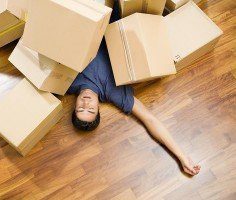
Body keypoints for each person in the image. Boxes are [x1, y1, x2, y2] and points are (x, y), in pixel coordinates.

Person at [67, 1, 201, 176]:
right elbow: (149, 119)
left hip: (89, 10)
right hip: (120, 12)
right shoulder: (112, 92)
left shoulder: (66, 83)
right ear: (98, 109)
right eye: (90, 109)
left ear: (74, 105)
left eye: (80, 108)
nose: (86, 102)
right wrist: (182, 157)